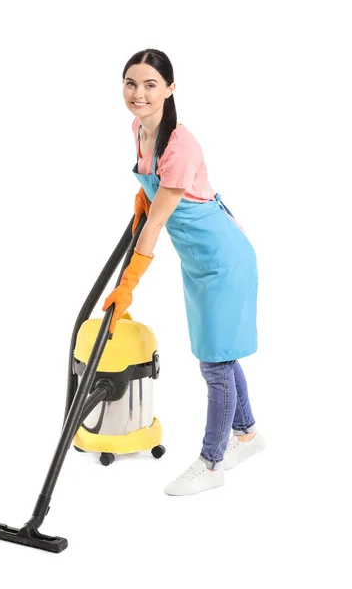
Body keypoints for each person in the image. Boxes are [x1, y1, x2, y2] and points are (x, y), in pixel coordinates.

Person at [102, 48, 265, 496]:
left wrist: (127, 288)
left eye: (151, 84)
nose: (139, 93)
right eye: (131, 83)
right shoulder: (139, 128)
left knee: (215, 363)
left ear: (170, 89)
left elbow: (157, 222)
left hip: (223, 259)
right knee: (219, 353)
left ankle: (212, 462)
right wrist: (142, 197)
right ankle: (247, 435)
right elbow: (150, 194)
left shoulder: (180, 145)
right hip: (197, 262)